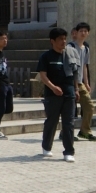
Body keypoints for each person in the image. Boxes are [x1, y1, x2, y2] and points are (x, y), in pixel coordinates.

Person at [37, 28, 79, 162]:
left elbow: (75, 74)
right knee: (52, 121)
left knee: (69, 123)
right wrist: (53, 87)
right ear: (52, 41)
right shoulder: (46, 57)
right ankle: (46, 147)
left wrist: (76, 89)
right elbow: (43, 76)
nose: (63, 41)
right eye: (60, 39)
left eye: (65, 39)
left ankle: (68, 151)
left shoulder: (70, 54)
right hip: (52, 95)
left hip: (69, 93)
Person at [69, 23, 95, 141]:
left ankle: (84, 131)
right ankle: (65, 132)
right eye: (81, 31)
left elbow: (84, 66)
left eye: (85, 31)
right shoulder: (70, 47)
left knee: (89, 106)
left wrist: (86, 83)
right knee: (69, 109)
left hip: (80, 83)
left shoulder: (86, 49)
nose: (83, 33)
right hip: (70, 82)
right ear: (77, 32)